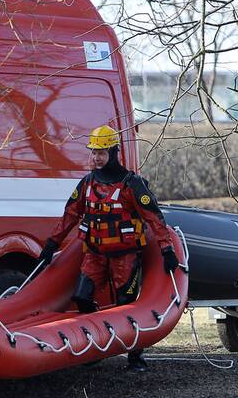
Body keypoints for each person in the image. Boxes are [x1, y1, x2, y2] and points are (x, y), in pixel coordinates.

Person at [37, 125, 180, 372]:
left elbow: (155, 218)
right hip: (94, 253)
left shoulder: (131, 184)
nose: (96, 157)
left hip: (125, 255)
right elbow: (70, 215)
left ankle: (135, 356)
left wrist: (167, 250)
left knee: (127, 304)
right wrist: (51, 245)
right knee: (82, 297)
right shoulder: (87, 183)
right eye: (93, 152)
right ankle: (99, 343)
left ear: (114, 152)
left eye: (101, 153)